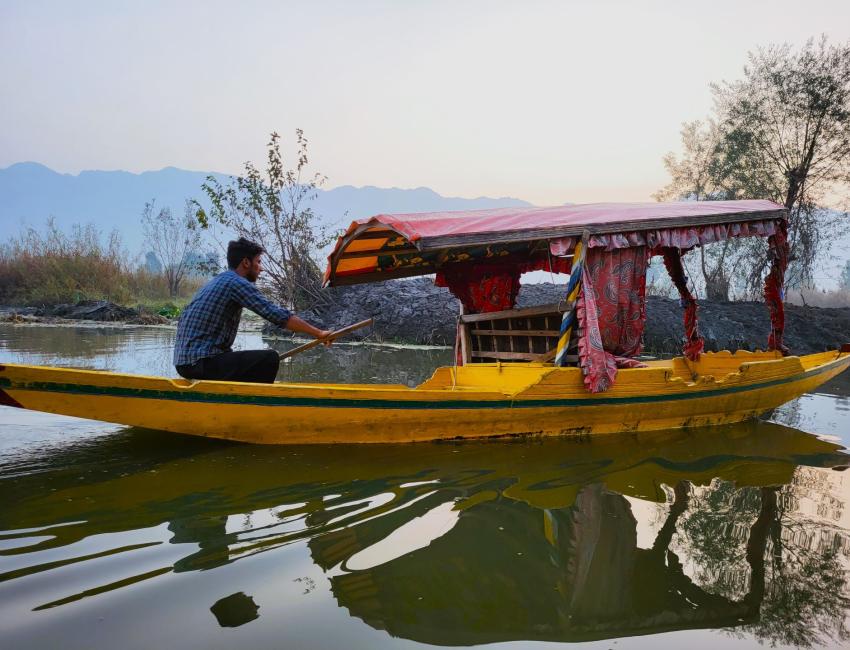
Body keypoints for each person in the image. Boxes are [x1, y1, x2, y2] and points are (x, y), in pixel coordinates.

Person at [174, 237, 330, 383]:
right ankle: (253, 405)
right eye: (259, 262)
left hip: (186, 362)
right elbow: (277, 315)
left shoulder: (219, 280)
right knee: (269, 358)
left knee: (244, 359)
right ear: (246, 263)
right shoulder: (236, 283)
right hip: (199, 362)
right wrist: (318, 333)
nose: (261, 269)